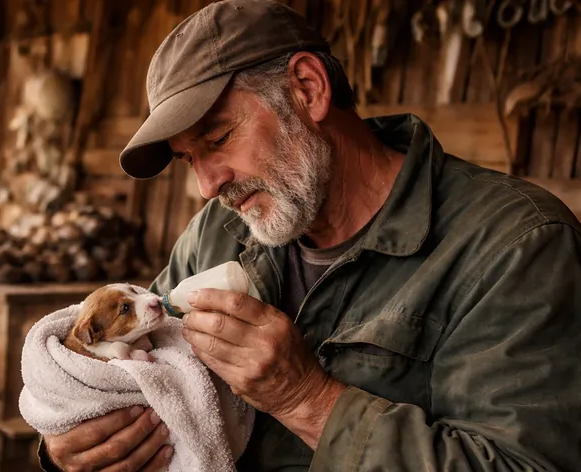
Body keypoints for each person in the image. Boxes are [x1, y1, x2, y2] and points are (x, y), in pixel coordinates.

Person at [36, 1, 581, 471]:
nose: (206, 186)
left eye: (219, 137)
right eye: (189, 159)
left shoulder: (516, 247)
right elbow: (132, 378)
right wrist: (70, 448)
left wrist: (305, 399)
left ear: (307, 88)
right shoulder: (219, 231)